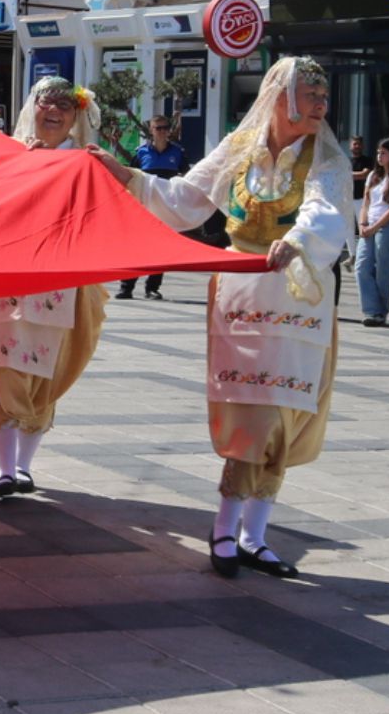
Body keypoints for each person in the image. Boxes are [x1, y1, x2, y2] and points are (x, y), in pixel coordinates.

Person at [99, 57, 354, 577]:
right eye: (311, 94)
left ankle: (253, 536)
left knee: (282, 413)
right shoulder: (240, 149)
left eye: (324, 95)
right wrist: (126, 175)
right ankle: (224, 529)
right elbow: (188, 198)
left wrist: (299, 240)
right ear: (282, 97)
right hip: (240, 294)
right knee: (249, 411)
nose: (321, 104)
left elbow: (326, 211)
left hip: (296, 297)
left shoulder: (327, 159)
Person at [0, 76, 110, 499]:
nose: (54, 112)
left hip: (60, 280)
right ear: (32, 107)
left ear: (76, 114)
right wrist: (17, 169)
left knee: (45, 369)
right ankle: (5, 469)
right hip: (5, 276)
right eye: (46, 103)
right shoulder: (4, 152)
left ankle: (23, 465)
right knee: (2, 366)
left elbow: (102, 215)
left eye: (64, 105)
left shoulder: (87, 161)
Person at [118, 115, 185, 300]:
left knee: (161, 249)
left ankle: (152, 288)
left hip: (165, 208)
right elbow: (130, 177)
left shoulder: (178, 153)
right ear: (151, 130)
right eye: (158, 128)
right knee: (135, 247)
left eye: (165, 127)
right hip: (143, 206)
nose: (162, 131)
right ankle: (126, 287)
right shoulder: (141, 153)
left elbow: (186, 179)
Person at [355, 138, 389, 326]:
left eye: (384, 153)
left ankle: (380, 311)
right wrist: (362, 224)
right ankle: (371, 308)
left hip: (387, 226)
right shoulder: (373, 175)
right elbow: (366, 202)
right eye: (378, 153)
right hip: (369, 224)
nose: (380, 156)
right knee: (362, 266)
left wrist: (376, 226)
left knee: (384, 269)